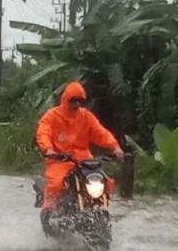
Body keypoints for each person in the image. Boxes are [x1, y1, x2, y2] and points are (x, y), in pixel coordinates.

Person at [36, 80, 124, 229]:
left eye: (80, 101)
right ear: (65, 99)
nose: (76, 104)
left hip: (84, 160)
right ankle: (48, 211)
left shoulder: (86, 117)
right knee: (56, 183)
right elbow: (43, 133)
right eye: (73, 100)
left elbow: (100, 132)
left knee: (105, 181)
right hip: (60, 160)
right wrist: (49, 149)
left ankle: (98, 207)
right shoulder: (52, 116)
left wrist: (115, 147)